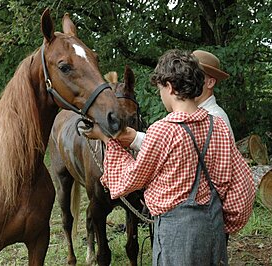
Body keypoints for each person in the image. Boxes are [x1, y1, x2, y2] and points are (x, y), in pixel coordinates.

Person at [82, 49, 255, 265]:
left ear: (170, 87)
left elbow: (129, 179)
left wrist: (107, 140)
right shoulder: (218, 126)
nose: (161, 95)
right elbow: (243, 189)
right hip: (212, 230)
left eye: (160, 89)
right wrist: (222, 223)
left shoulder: (163, 130)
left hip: (176, 236)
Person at [121, 49, 234, 151]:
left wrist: (136, 138)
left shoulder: (217, 118)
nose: (189, 79)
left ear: (210, 83)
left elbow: (182, 144)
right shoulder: (203, 116)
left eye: (196, 75)